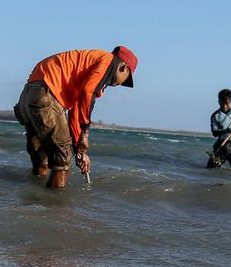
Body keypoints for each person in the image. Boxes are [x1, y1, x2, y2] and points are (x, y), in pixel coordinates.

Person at [13, 46, 138, 188]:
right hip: (46, 96)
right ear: (123, 68)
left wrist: (80, 149)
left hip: (29, 96)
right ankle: (56, 207)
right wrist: (85, 132)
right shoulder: (108, 61)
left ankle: (33, 206)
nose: (119, 84)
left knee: (42, 162)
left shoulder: (88, 63)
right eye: (125, 80)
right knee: (62, 164)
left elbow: (76, 112)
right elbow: (88, 91)